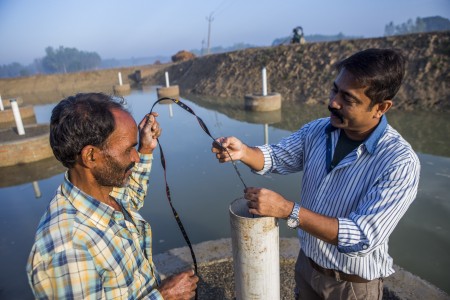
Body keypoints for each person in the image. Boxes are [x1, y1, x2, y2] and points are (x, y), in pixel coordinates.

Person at [212, 48, 420, 300]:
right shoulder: (318, 131)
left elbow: (362, 237)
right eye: (335, 90)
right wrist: (243, 151)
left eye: (348, 98)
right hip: (307, 267)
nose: (333, 102)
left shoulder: (399, 162)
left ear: (381, 107)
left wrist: (288, 209)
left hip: (352, 286)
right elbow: (277, 156)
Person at [27, 93, 198, 299]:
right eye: (128, 150)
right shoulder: (68, 248)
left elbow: (131, 197)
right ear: (91, 156)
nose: (135, 158)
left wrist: (145, 148)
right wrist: (163, 296)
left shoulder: (100, 192)